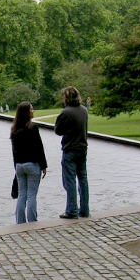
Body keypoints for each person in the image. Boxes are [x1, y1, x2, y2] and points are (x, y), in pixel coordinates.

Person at [54, 86, 90, 219]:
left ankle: (71, 210)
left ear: (67, 98)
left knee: (69, 181)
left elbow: (57, 130)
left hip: (70, 150)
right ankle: (85, 210)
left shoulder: (66, 112)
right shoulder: (84, 111)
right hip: (82, 149)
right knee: (83, 180)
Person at [10, 102, 47, 224]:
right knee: (31, 195)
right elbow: (39, 148)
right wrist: (43, 165)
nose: (33, 111)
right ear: (27, 112)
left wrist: (16, 167)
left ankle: (20, 222)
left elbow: (14, 151)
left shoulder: (14, 129)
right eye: (31, 109)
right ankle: (32, 221)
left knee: (21, 195)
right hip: (32, 165)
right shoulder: (32, 127)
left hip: (19, 165)